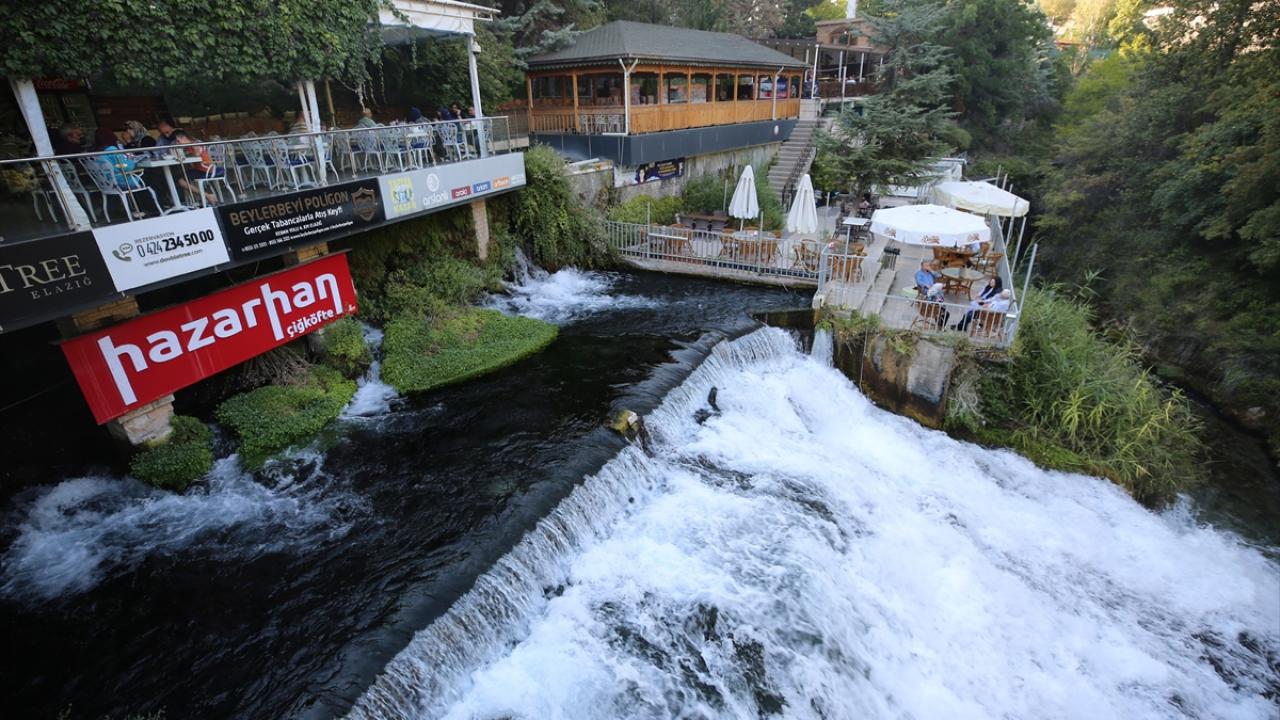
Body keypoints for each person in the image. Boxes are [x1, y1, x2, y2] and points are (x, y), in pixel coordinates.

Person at [173, 131, 219, 205]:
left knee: (181, 181)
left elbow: (197, 155)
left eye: (178, 141)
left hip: (206, 168)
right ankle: (200, 198)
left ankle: (207, 196)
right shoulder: (189, 146)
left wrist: (184, 154)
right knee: (181, 176)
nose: (177, 143)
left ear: (184, 138)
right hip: (200, 168)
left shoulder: (195, 144)